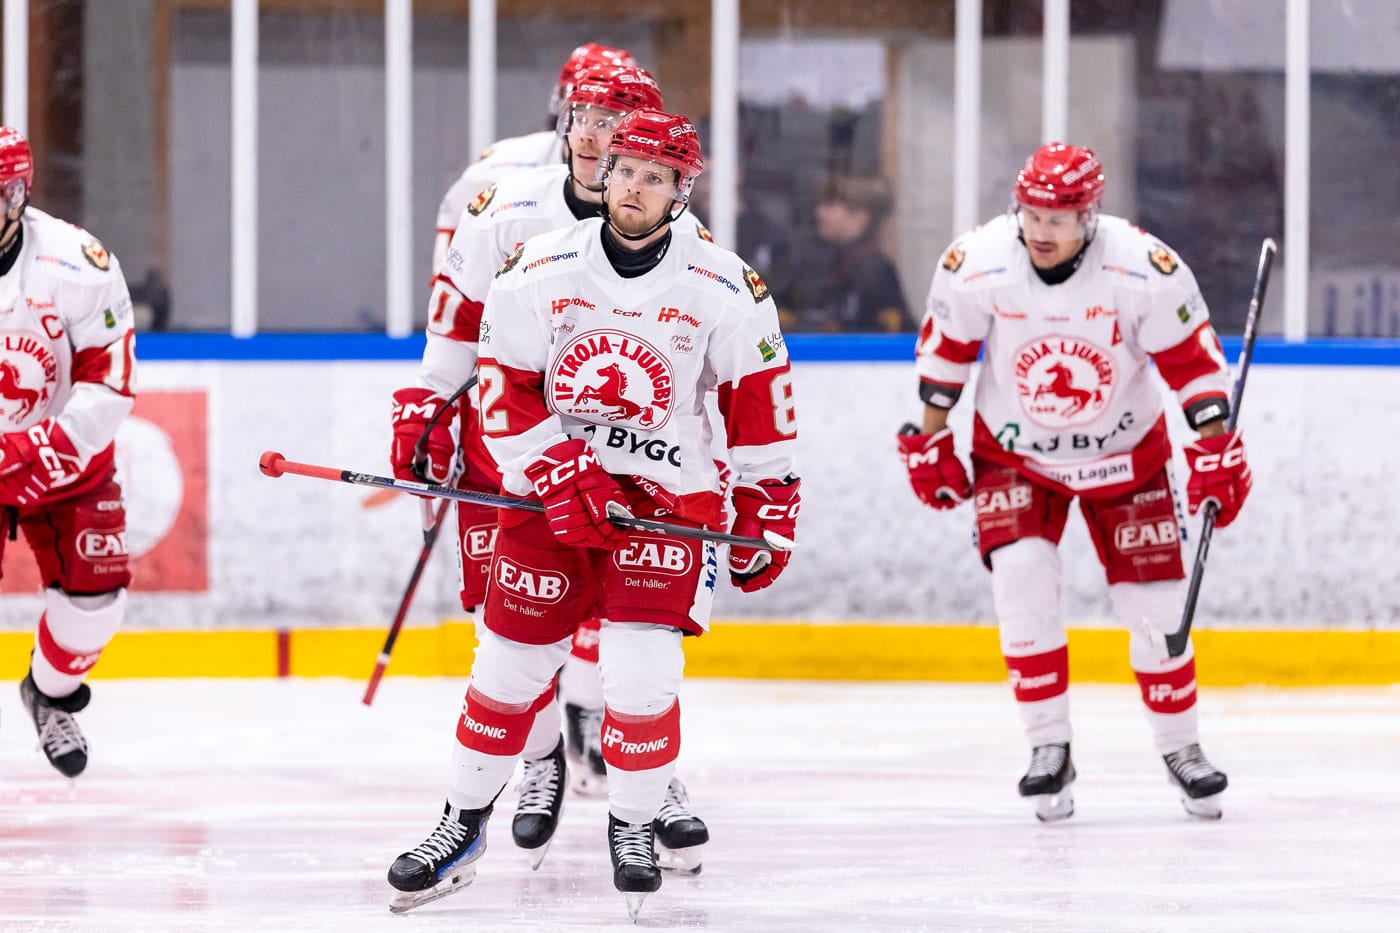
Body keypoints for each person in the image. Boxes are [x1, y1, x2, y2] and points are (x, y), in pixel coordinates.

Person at [385, 108, 800, 919]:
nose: (635, 187)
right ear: (604, 171)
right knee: (505, 669)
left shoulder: (723, 284)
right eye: (626, 169)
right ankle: (461, 826)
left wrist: (767, 503)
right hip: (548, 495)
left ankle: (634, 822)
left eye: (657, 176)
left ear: (683, 192)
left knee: (643, 676)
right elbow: (504, 393)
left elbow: (762, 410)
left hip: (668, 498)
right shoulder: (539, 266)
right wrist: (562, 473)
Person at [898, 142, 1250, 822]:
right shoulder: (978, 261)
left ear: (1090, 217)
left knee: (1156, 608)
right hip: (1015, 453)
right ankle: (1048, 749)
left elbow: (1195, 368)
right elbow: (944, 355)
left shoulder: (1144, 267)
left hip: (1128, 454)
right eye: (1029, 213)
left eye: (1056, 218)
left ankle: (1183, 749)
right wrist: (928, 435)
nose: (1039, 229)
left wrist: (1215, 451)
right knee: (1022, 582)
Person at [0, 126, 137, 779]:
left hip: (61, 455)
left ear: (20, 192)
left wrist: (48, 443)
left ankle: (48, 694)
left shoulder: (76, 263)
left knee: (95, 605)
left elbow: (110, 380)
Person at [432, 42, 636, 275]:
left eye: (606, 119)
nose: (588, 132)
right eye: (580, 113)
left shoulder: (652, 188)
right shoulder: (498, 168)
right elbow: (453, 274)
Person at [779, 173, 910, 332]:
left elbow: (884, 338)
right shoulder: (836, 260)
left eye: (830, 206)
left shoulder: (874, 270)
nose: (819, 212)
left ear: (860, 217)